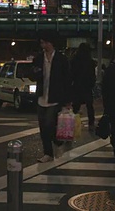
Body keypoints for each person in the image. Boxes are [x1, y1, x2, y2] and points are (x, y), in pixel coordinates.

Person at [31, 32, 72, 163]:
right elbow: (32, 75)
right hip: (41, 96)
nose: (43, 45)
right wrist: (34, 72)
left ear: (51, 43)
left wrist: (67, 101)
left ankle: (57, 141)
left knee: (49, 124)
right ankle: (48, 153)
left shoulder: (61, 59)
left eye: (44, 42)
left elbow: (67, 80)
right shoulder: (38, 58)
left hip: (55, 97)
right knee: (43, 126)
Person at [70, 43, 97, 132]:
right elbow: (92, 76)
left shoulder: (74, 60)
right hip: (87, 87)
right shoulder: (90, 62)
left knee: (75, 107)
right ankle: (91, 124)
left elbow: (71, 74)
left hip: (77, 86)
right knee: (90, 107)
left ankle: (72, 125)